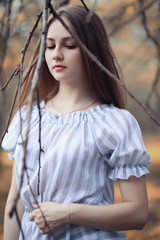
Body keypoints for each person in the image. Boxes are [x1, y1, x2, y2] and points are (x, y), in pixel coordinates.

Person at [2, 4, 151, 240]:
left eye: (69, 45)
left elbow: (138, 213)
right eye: (49, 46)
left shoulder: (114, 123)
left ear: (91, 51)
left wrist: (67, 213)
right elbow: (17, 201)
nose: (56, 54)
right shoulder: (27, 117)